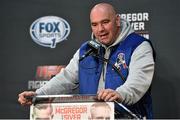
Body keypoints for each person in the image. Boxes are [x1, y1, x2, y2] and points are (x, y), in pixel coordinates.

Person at [18, 2, 155, 119]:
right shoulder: (86, 50)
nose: (100, 29)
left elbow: (138, 82)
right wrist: (38, 94)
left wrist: (120, 94)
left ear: (117, 20)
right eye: (94, 24)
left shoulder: (138, 46)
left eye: (105, 22)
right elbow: (65, 78)